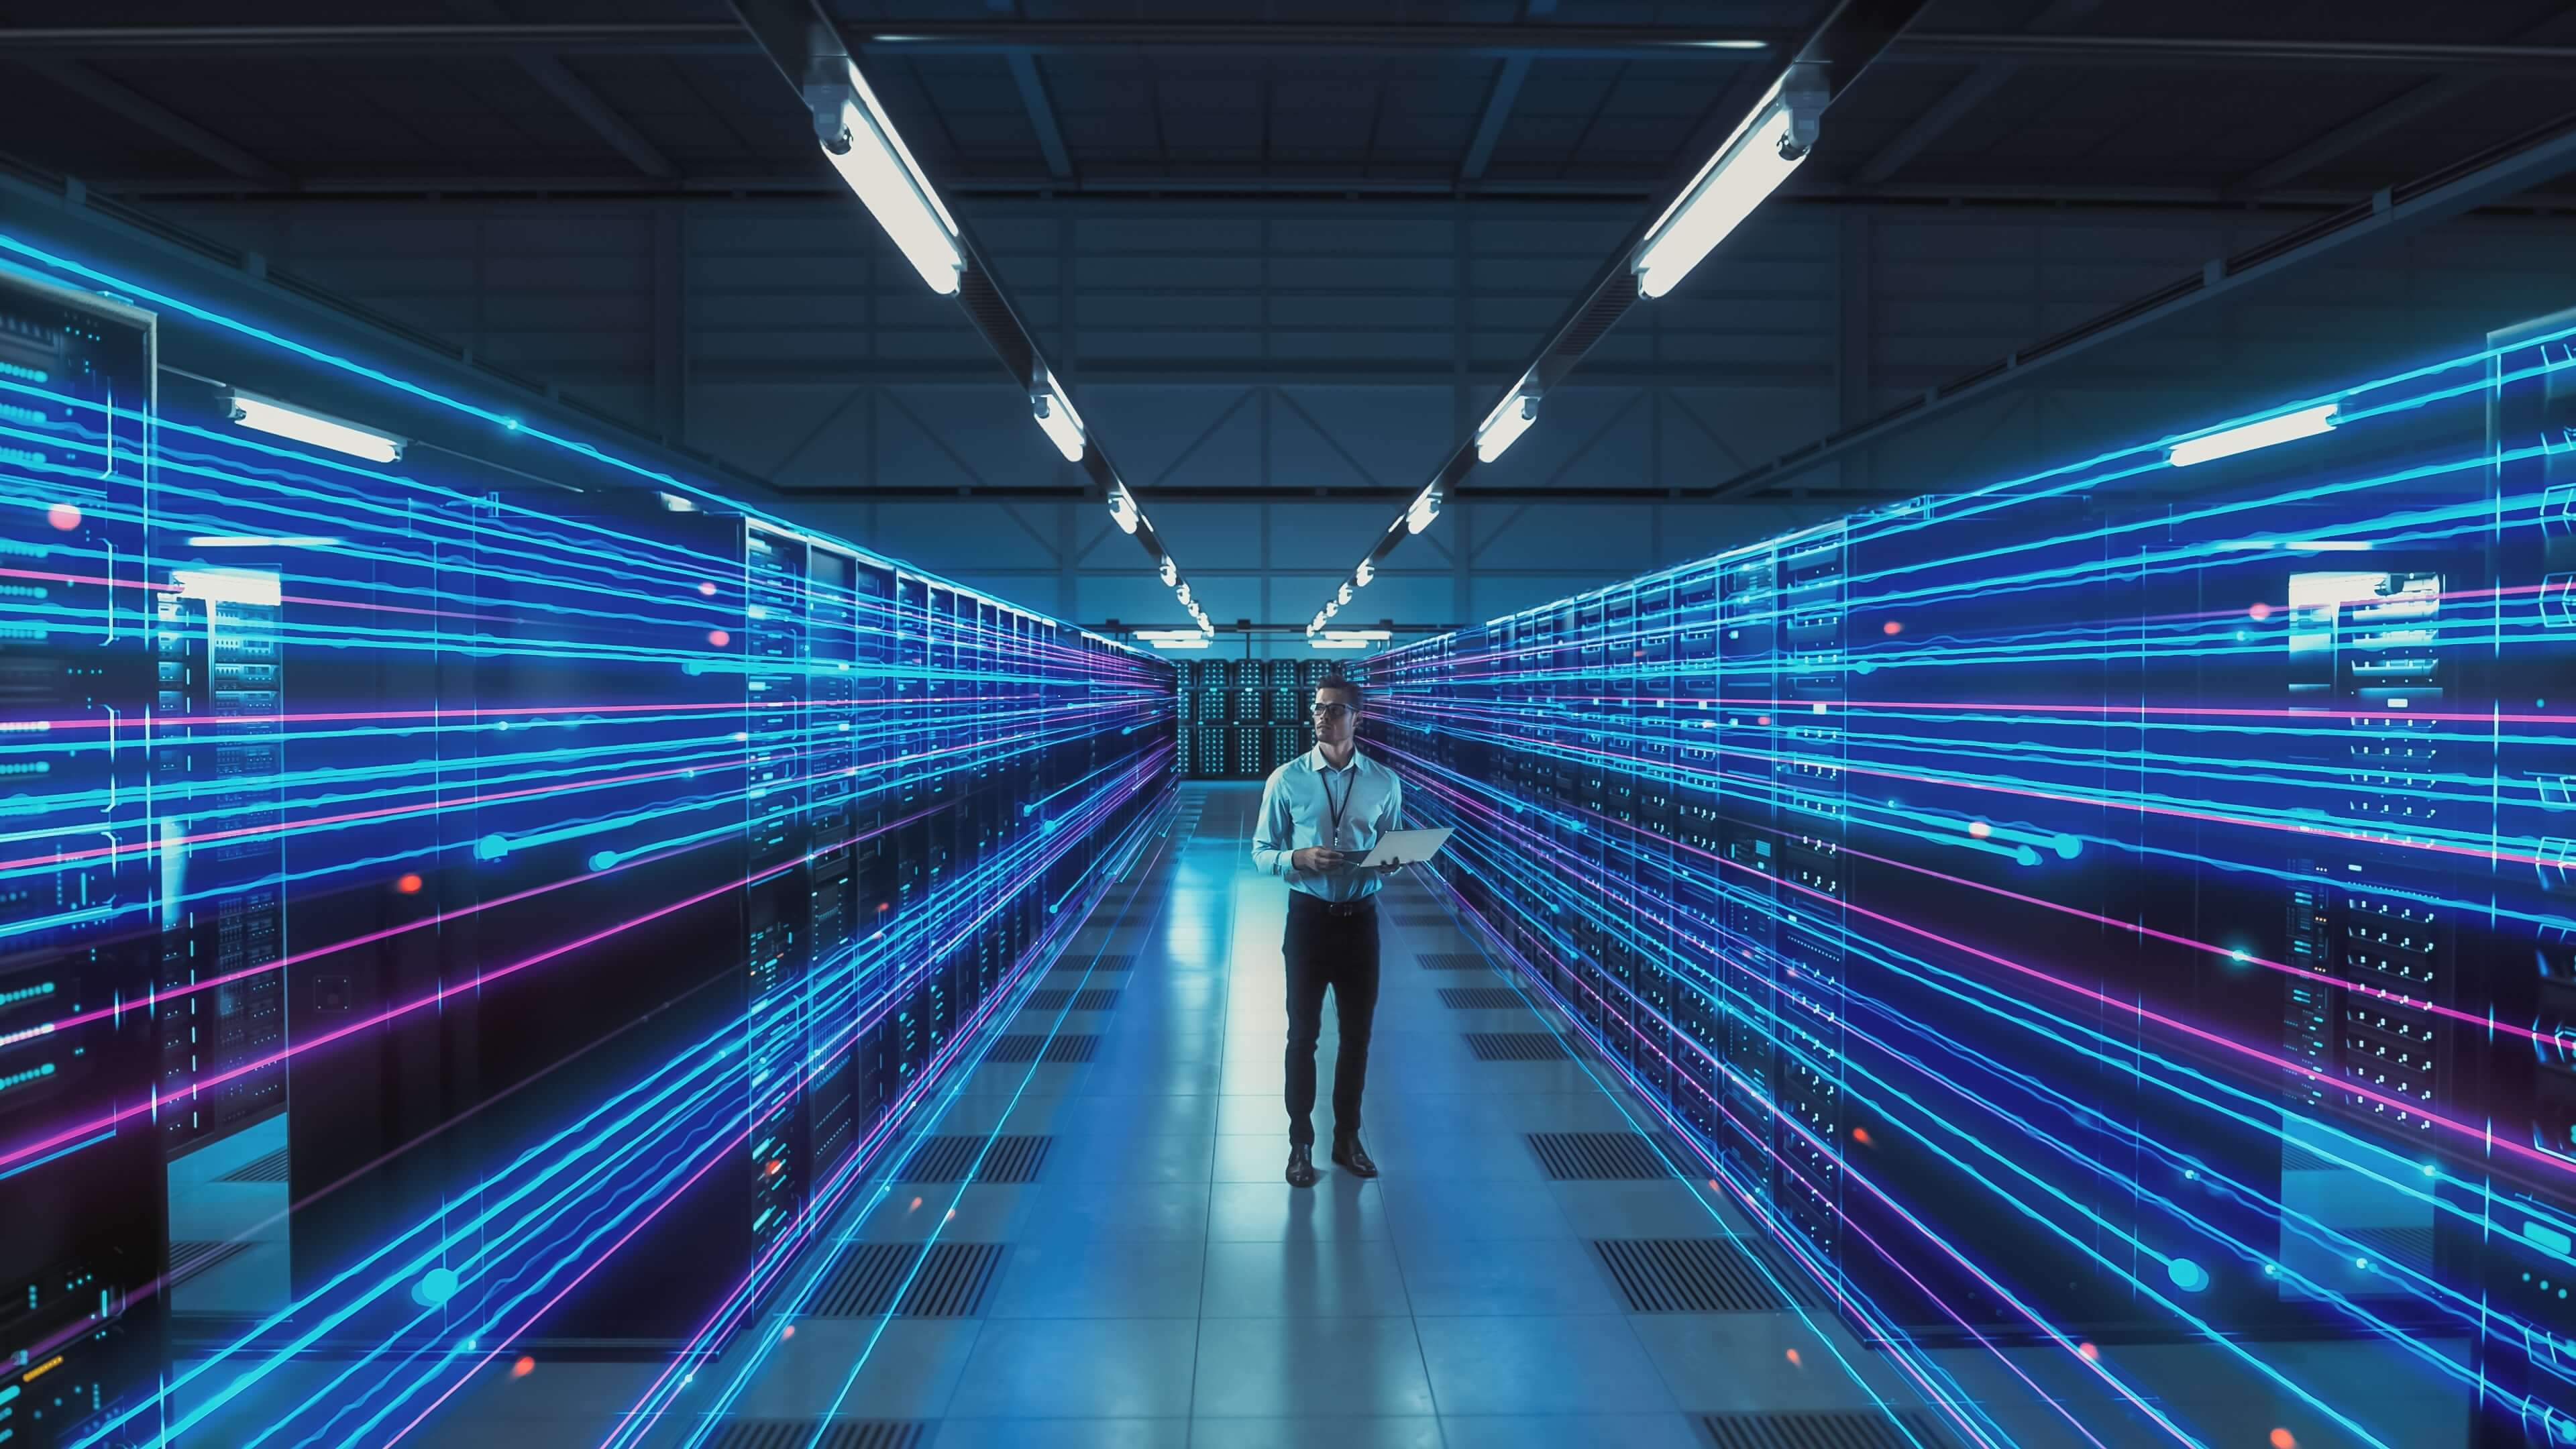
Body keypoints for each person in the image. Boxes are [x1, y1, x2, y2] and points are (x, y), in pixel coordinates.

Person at [1250, 672, 1404, 1187]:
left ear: (1357, 719)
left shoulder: (1384, 781)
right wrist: (1299, 856)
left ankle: (1347, 1138)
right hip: (1309, 920)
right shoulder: (1286, 780)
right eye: (1318, 708)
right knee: (1303, 1036)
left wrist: (1389, 863)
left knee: (1357, 1038)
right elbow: (1260, 852)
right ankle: (1300, 1144)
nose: (1322, 716)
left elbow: (1393, 847)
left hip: (1361, 923)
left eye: (1334, 709)